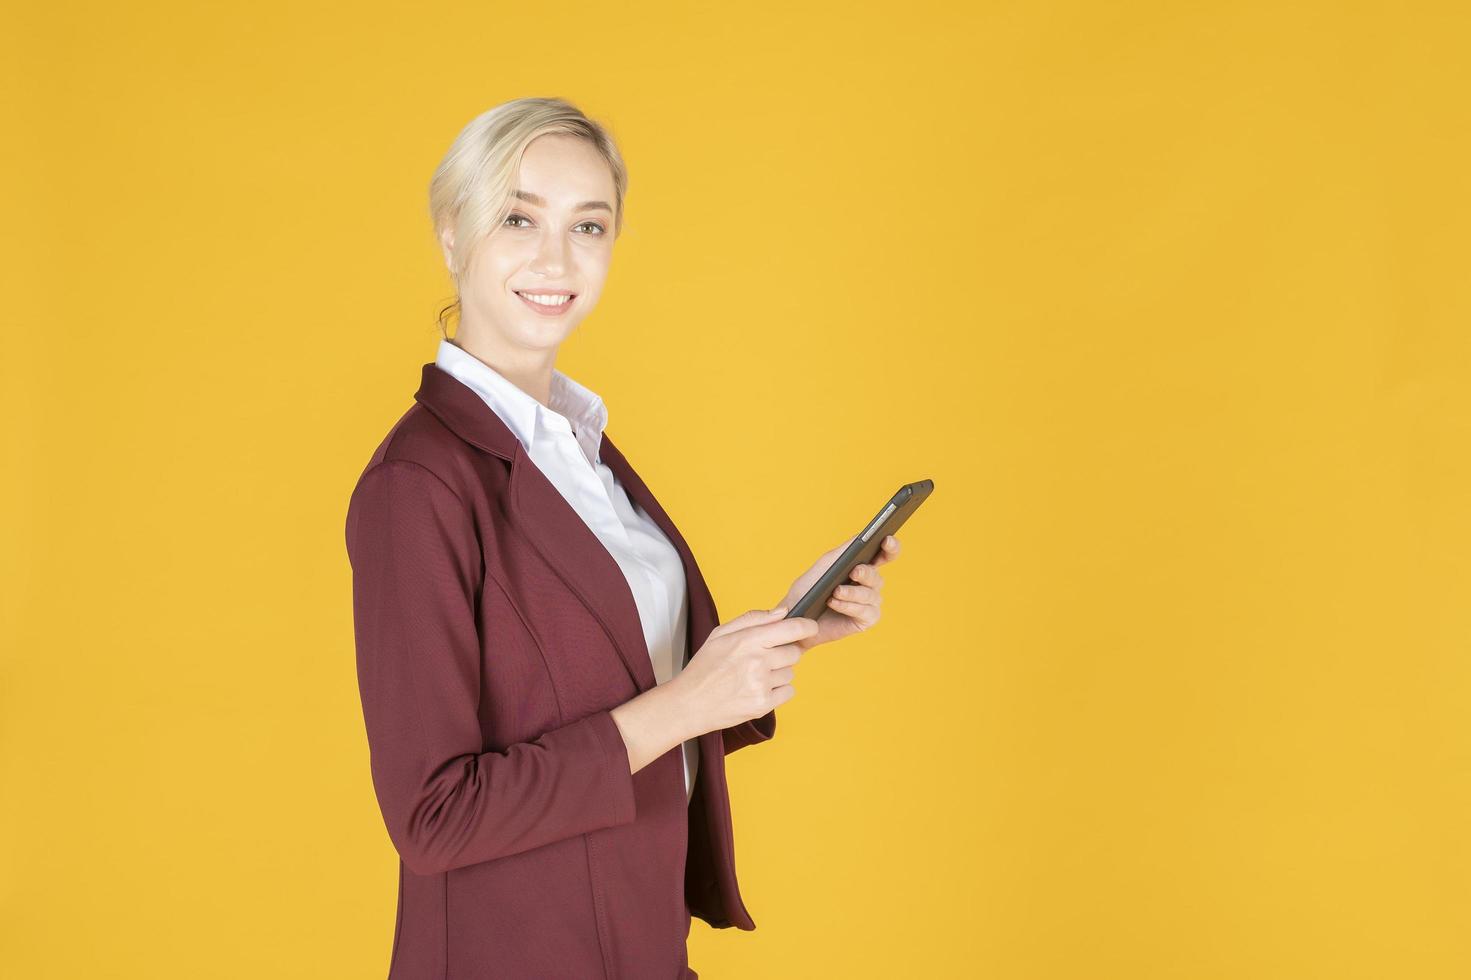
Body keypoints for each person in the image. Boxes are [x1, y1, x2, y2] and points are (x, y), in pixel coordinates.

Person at [344, 96, 902, 979]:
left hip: (637, 940)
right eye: (517, 217)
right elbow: (433, 816)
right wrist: (686, 705)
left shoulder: (579, 448)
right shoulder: (418, 484)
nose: (556, 257)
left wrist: (779, 636)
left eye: (589, 225)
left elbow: (615, 686)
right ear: (451, 234)